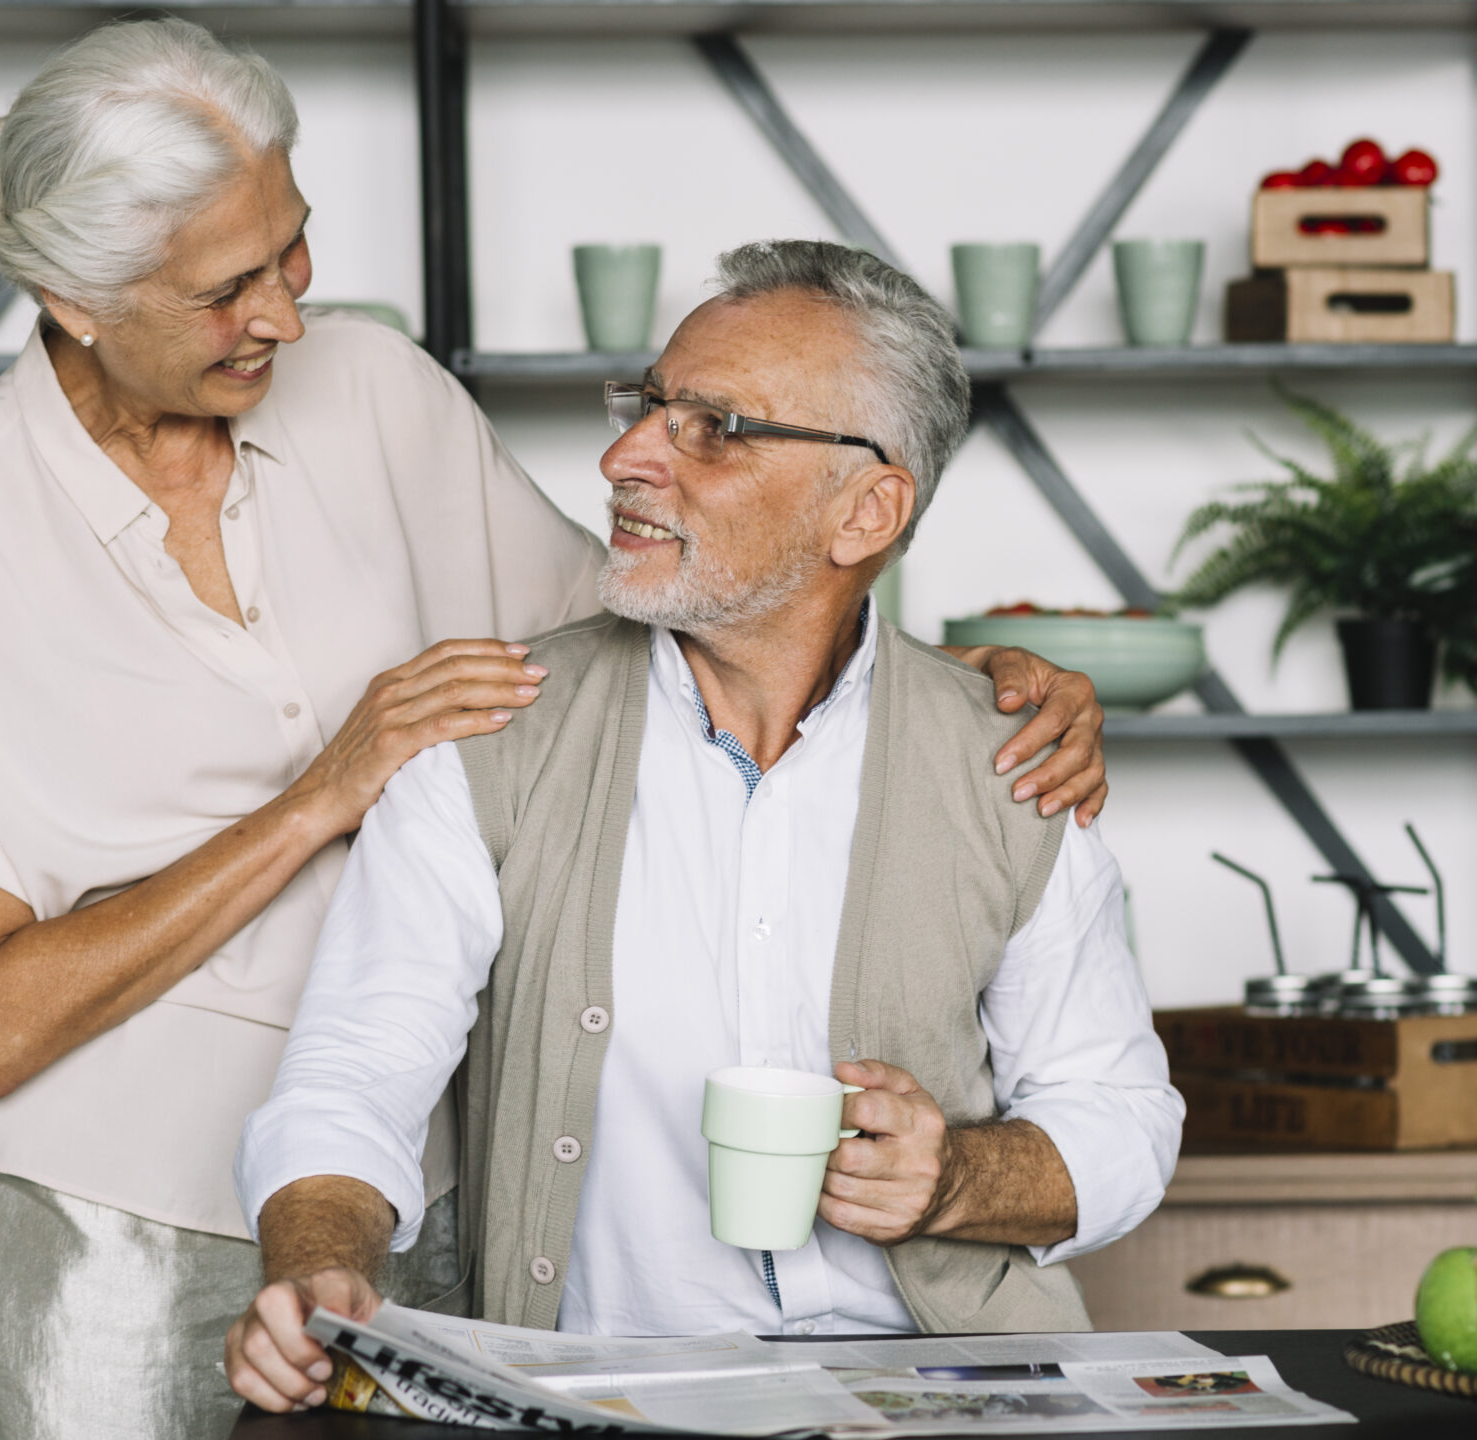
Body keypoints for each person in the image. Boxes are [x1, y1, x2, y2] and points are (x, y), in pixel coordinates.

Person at [0, 22, 1109, 1440]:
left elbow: (688, 612)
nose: (287, 315)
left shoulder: (376, 396)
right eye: (225, 289)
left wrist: (952, 679)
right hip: (120, 1221)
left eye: (293, 246)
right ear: (73, 297)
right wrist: (322, 794)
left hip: (429, 1192)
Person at [228, 240, 1184, 1414]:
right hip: (604, 1395)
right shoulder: (487, 735)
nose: (623, 457)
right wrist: (319, 1264)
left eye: (715, 427)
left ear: (866, 510)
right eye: (647, 406)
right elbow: (358, 1069)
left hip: (944, 1390)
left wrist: (953, 1181)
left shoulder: (1012, 756)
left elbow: (1123, 1117)